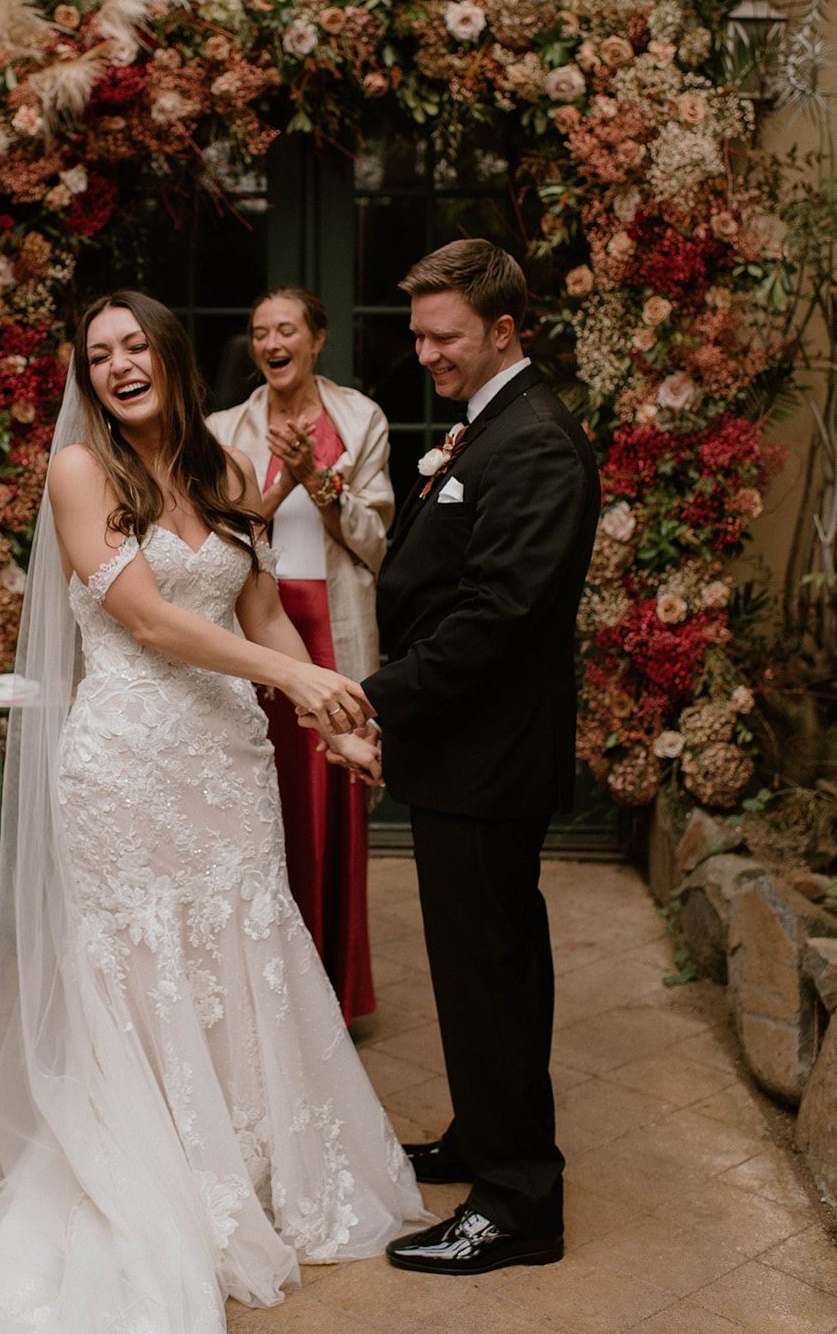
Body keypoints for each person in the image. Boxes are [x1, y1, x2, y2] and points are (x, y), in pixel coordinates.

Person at [0, 290, 427, 1334]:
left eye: (134, 345)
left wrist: (330, 722)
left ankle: (258, 1172)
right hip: (127, 765)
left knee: (241, 945)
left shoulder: (218, 467)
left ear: (167, 354)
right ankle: (165, 1187)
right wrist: (294, 684)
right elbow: (154, 621)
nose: (119, 364)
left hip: (227, 762)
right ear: (87, 374)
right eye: (98, 353)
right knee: (146, 966)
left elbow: (257, 606)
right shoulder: (80, 472)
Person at [317, 240, 600, 1277]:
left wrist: (369, 696)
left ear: (503, 330)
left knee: (492, 972)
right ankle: (486, 1139)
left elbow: (493, 616)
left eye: (445, 336)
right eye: (420, 332)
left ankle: (520, 1199)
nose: (425, 351)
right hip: (461, 753)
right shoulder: (493, 425)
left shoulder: (538, 445)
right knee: (476, 969)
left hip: (490, 760)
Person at [208, 288, 392, 1026]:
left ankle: (337, 995)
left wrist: (320, 484)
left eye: (286, 330)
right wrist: (284, 476)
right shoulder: (225, 427)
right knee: (266, 804)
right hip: (259, 631)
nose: (271, 343)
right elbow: (223, 533)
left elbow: (376, 541)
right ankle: (269, 995)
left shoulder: (362, 419)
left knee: (334, 806)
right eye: (259, 333)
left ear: (317, 339)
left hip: (333, 624)